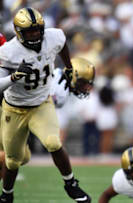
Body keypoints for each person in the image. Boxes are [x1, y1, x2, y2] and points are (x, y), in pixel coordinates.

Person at [0, 8, 91, 202]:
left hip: (42, 103)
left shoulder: (54, 36)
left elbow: (63, 43)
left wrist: (68, 67)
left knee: (53, 142)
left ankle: (71, 184)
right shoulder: (8, 51)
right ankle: (7, 194)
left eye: (37, 30)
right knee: (13, 160)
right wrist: (14, 77)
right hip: (14, 108)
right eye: (29, 32)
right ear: (18, 32)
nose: (34, 35)